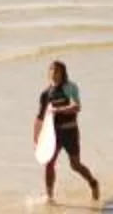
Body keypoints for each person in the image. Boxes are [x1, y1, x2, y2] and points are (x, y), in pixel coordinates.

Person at [32, 59, 98, 205]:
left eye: (57, 70)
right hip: (54, 135)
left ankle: (93, 183)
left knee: (75, 165)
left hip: (70, 132)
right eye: (51, 70)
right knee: (49, 164)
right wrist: (36, 139)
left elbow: (76, 107)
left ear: (63, 73)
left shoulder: (70, 87)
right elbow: (39, 118)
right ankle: (49, 197)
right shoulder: (46, 94)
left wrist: (58, 110)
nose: (54, 73)